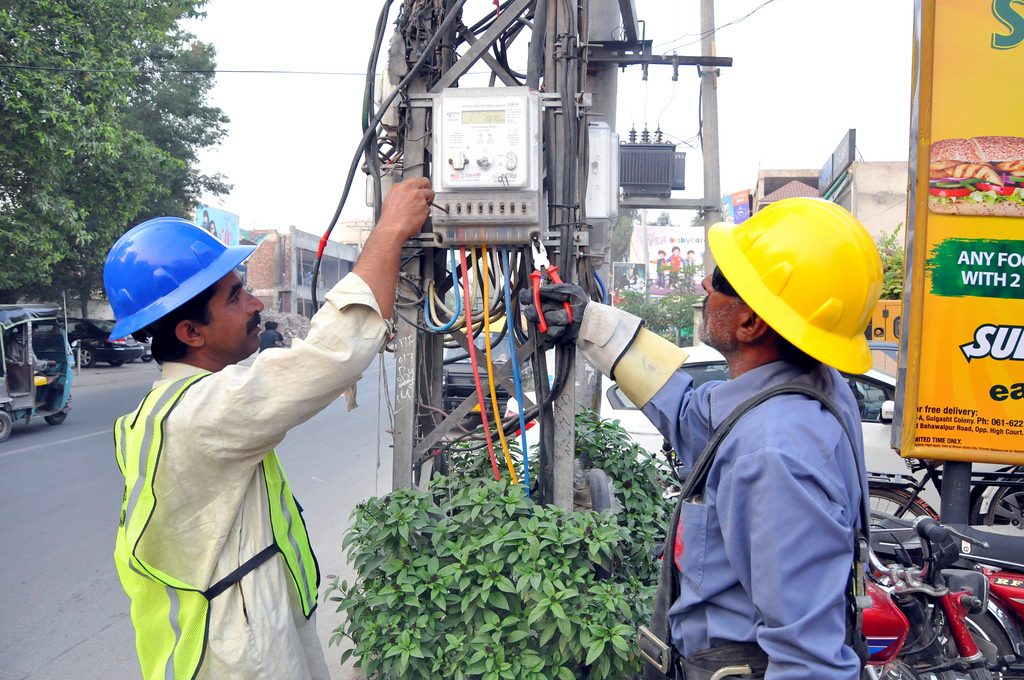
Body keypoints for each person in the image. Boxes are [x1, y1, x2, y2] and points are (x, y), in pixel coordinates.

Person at [522, 197, 882, 679]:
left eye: (724, 279)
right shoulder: (804, 392)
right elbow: (691, 414)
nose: (704, 283)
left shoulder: (775, 452)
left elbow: (808, 662)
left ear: (751, 323)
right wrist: (590, 323)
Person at [105, 177, 433, 680]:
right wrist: (389, 229)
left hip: (232, 627)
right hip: (242, 648)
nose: (257, 305)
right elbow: (332, 352)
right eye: (236, 296)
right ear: (191, 332)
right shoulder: (206, 411)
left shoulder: (163, 407)